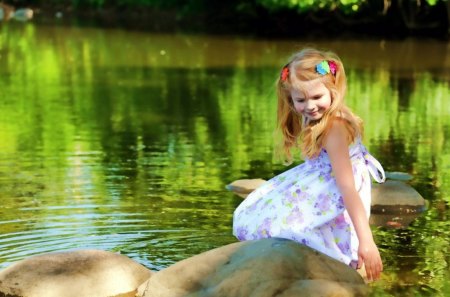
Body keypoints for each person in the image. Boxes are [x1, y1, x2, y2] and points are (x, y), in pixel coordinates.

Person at [232, 48, 385, 281]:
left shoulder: (334, 127)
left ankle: (329, 260)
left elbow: (347, 187)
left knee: (284, 227)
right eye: (301, 100)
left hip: (336, 187)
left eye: (317, 97)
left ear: (333, 91)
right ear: (290, 98)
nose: (310, 106)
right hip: (321, 180)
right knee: (255, 211)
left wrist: (367, 242)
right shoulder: (316, 117)